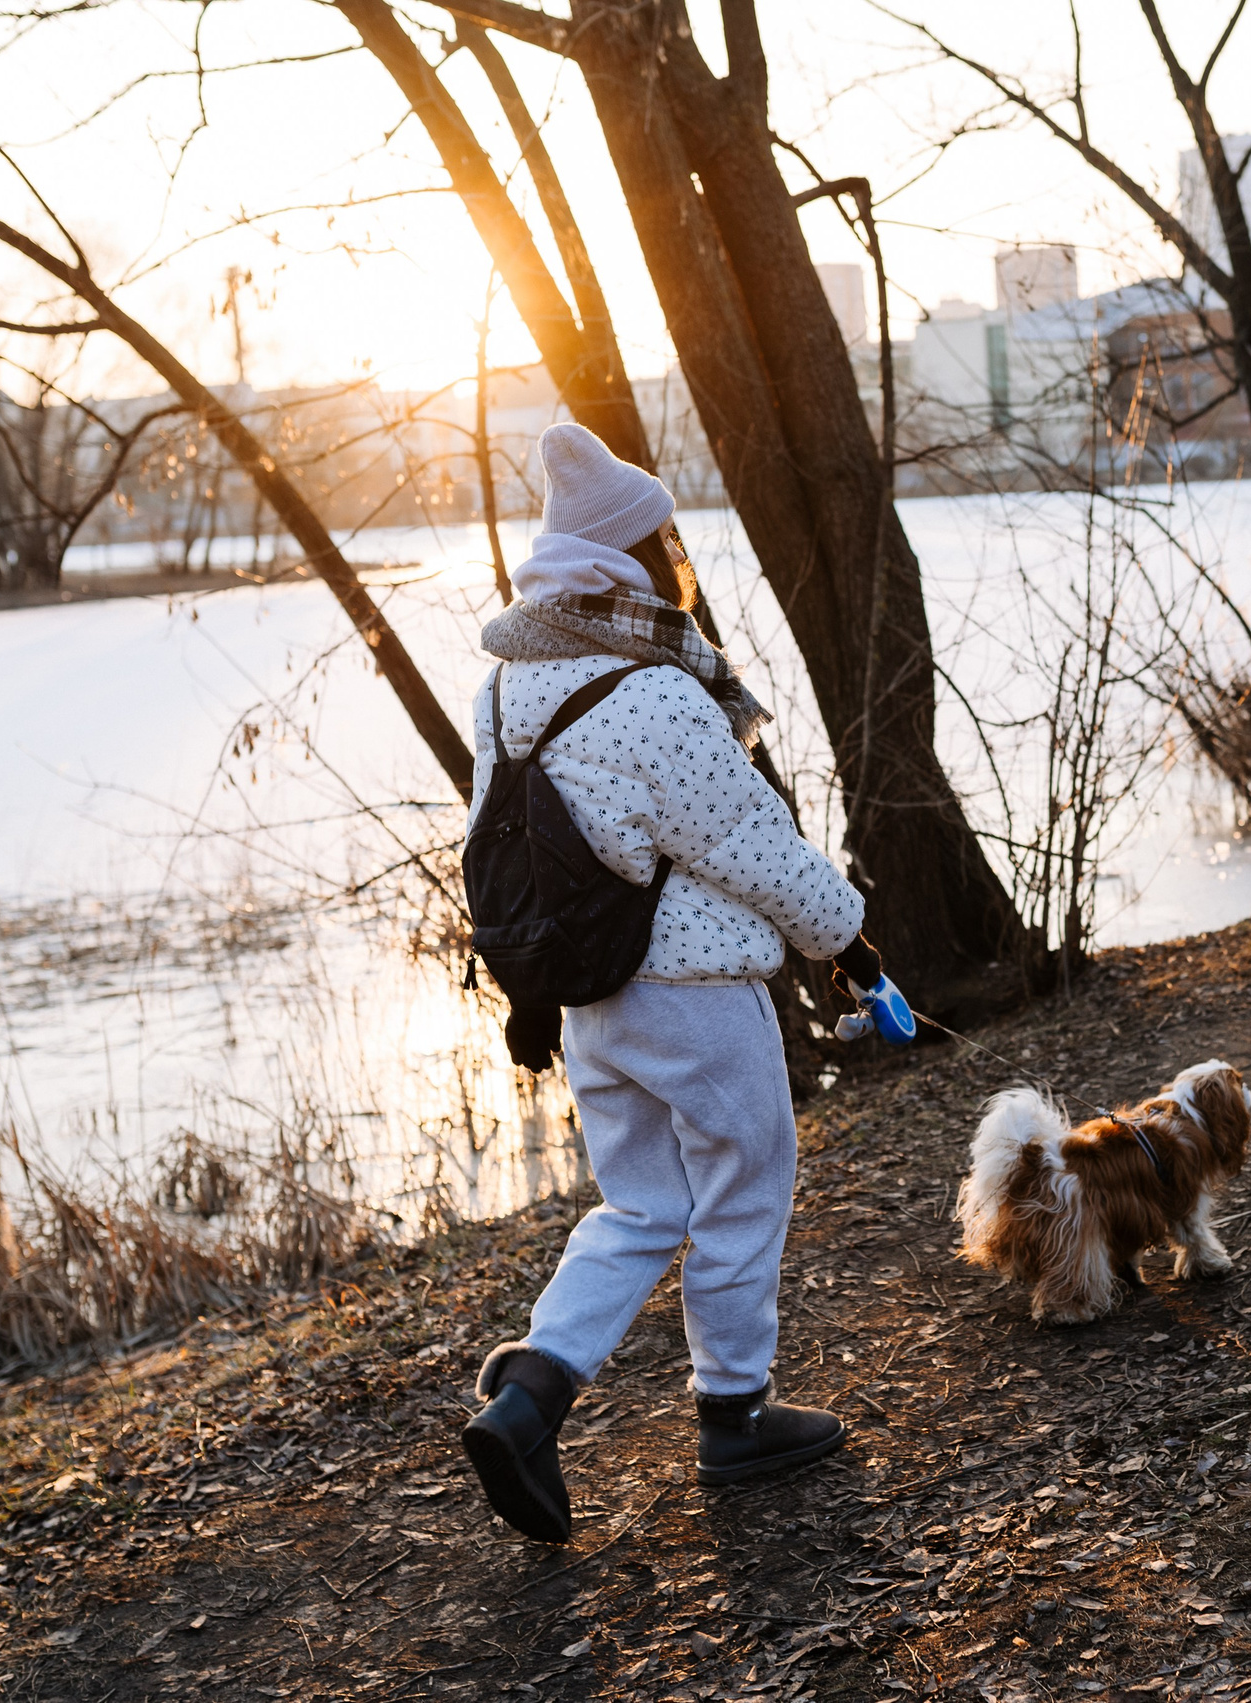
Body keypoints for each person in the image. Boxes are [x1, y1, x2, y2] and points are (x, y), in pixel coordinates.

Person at [458, 423, 895, 1542]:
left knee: (643, 1202)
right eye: (667, 542)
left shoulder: (503, 691)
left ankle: (529, 1396)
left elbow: (500, 847)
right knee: (747, 1179)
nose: (682, 561)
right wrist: (849, 941)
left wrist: (530, 996)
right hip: (695, 988)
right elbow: (753, 843)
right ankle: (734, 1414)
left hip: (592, 1001)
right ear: (628, 557)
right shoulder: (657, 694)